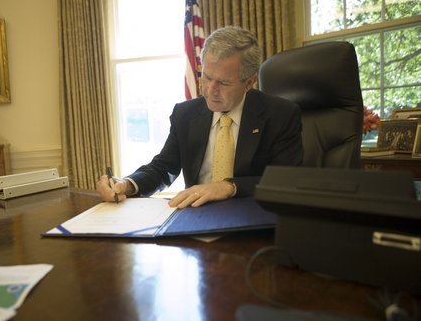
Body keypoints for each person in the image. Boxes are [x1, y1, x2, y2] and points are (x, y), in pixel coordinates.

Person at [97, 26, 303, 208]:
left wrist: (229, 187)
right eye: (207, 77)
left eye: (223, 83)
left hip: (252, 218)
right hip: (196, 218)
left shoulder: (280, 115)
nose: (210, 90)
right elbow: (163, 168)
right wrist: (127, 184)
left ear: (249, 82)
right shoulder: (184, 114)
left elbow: (286, 181)